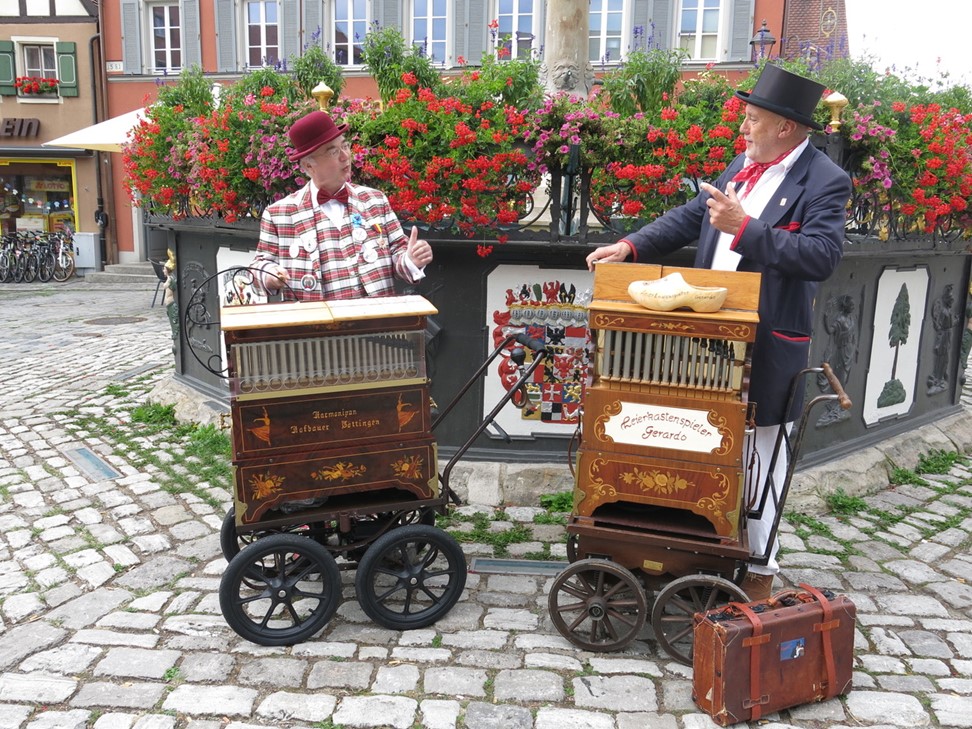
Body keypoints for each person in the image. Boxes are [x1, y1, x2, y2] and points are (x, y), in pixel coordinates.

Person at [585, 64, 853, 601]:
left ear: (785, 127)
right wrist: (630, 246)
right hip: (705, 334)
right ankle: (695, 546)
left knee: (762, 454)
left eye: (752, 119)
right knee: (698, 441)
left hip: (768, 342)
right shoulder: (743, 165)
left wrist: (745, 229)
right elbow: (691, 217)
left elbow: (821, 257)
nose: (743, 127)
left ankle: (761, 569)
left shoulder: (825, 179)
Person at [252, 110, 433, 300]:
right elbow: (257, 267)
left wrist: (412, 259)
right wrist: (270, 275)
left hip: (376, 316)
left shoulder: (375, 200)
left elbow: (399, 254)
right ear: (308, 166)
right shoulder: (279, 214)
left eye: (345, 146)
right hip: (316, 318)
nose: (345, 156)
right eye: (333, 151)